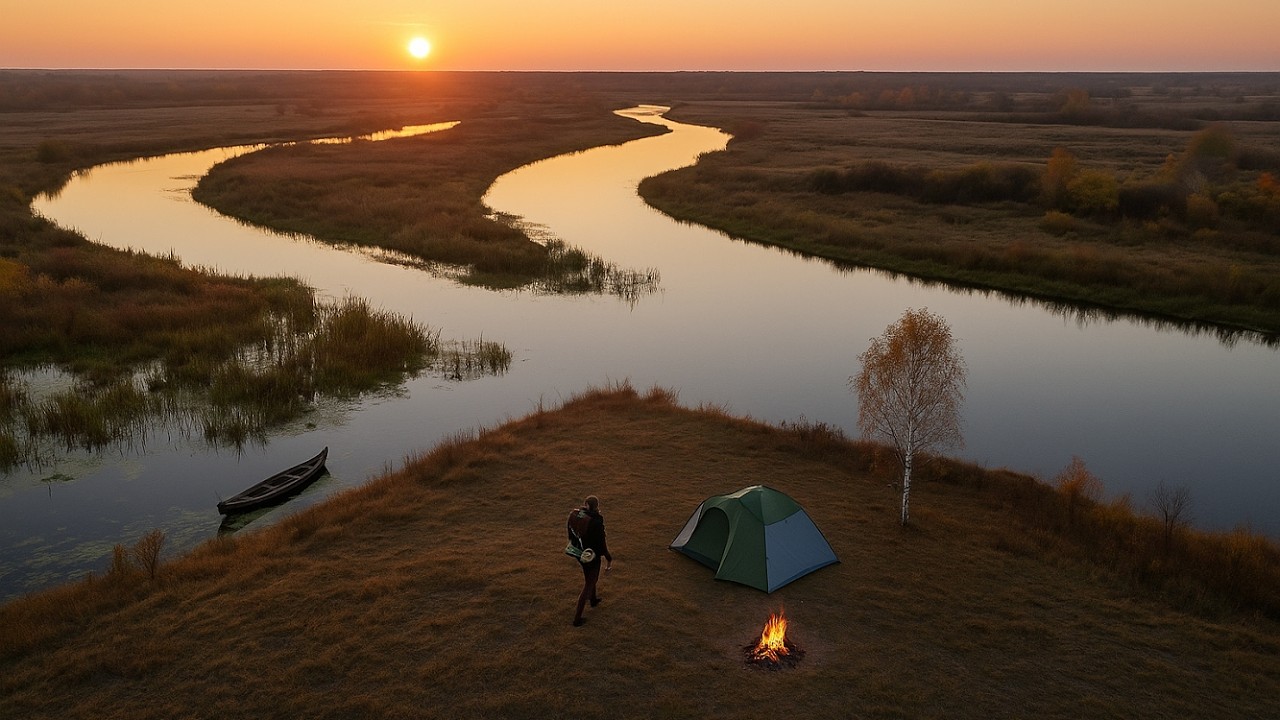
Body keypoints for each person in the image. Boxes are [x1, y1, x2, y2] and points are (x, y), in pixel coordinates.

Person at [568, 495, 612, 627]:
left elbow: (571, 533)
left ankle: (593, 600)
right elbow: (602, 542)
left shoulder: (578, 515)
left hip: (580, 553)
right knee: (590, 582)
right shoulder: (597, 521)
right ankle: (577, 619)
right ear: (596, 506)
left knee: (590, 577)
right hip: (592, 555)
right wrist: (608, 556)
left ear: (586, 504)